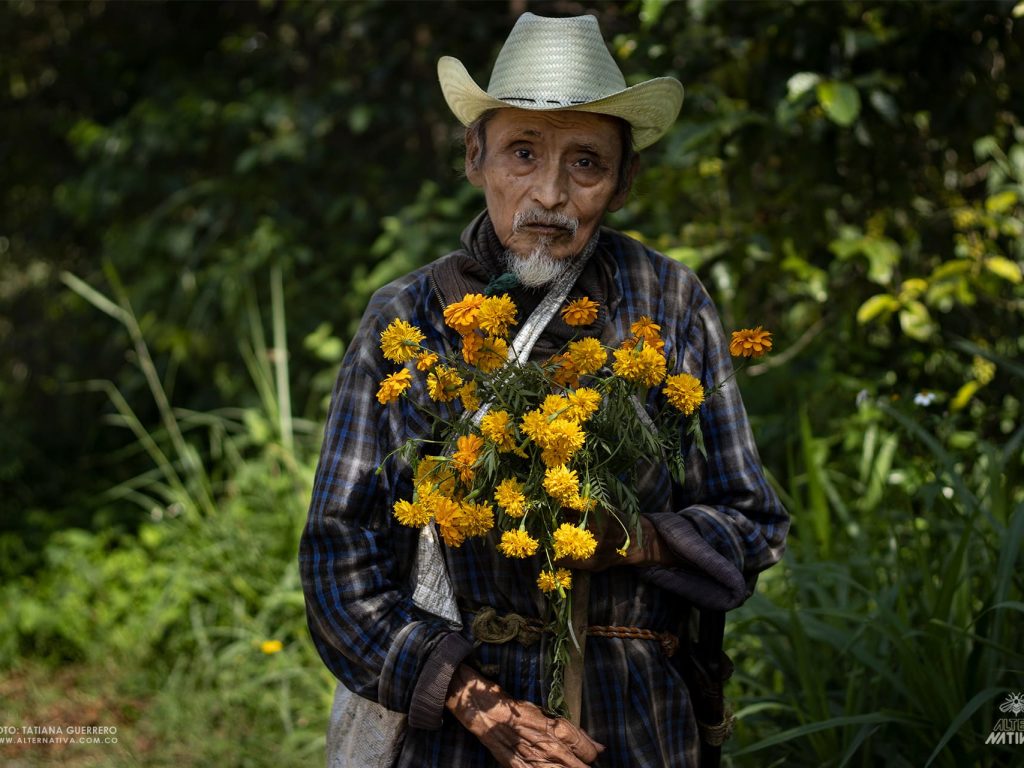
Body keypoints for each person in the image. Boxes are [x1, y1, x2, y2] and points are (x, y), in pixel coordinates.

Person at [300, 12, 788, 768]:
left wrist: (636, 539)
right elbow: (337, 560)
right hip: (461, 737)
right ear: (475, 157)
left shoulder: (670, 302)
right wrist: (478, 704)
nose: (550, 195)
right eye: (522, 153)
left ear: (623, 181)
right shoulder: (409, 318)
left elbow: (753, 522)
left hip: (639, 729)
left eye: (586, 163)